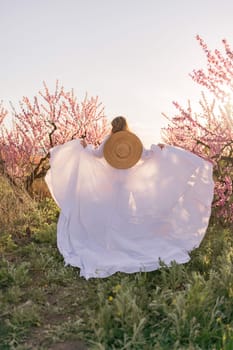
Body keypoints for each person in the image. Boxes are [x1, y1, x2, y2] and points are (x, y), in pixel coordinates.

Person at [45, 116, 214, 279]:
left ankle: (110, 243)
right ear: (126, 125)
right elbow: (146, 155)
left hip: (110, 186)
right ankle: (122, 240)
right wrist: (159, 149)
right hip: (127, 185)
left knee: (111, 214)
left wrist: (84, 148)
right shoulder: (132, 140)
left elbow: (96, 155)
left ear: (113, 126)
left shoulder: (108, 141)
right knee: (124, 213)